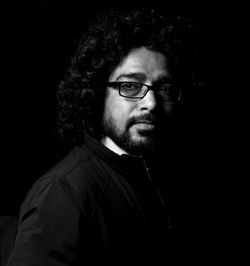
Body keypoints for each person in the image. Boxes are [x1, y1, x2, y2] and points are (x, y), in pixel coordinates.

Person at [7, 7, 210, 265]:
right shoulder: (63, 194)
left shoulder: (162, 172)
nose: (152, 103)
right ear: (95, 92)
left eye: (165, 88)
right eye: (130, 86)